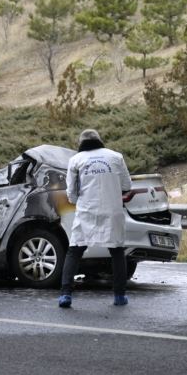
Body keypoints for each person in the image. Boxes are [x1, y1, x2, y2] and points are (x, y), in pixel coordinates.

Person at [58, 128, 133, 308]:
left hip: (87, 211)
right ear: (99, 140)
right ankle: (119, 295)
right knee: (116, 251)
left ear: (81, 143)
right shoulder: (116, 157)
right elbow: (127, 184)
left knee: (75, 250)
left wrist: (78, 201)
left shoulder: (76, 160)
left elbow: (71, 193)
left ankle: (66, 295)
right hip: (112, 210)